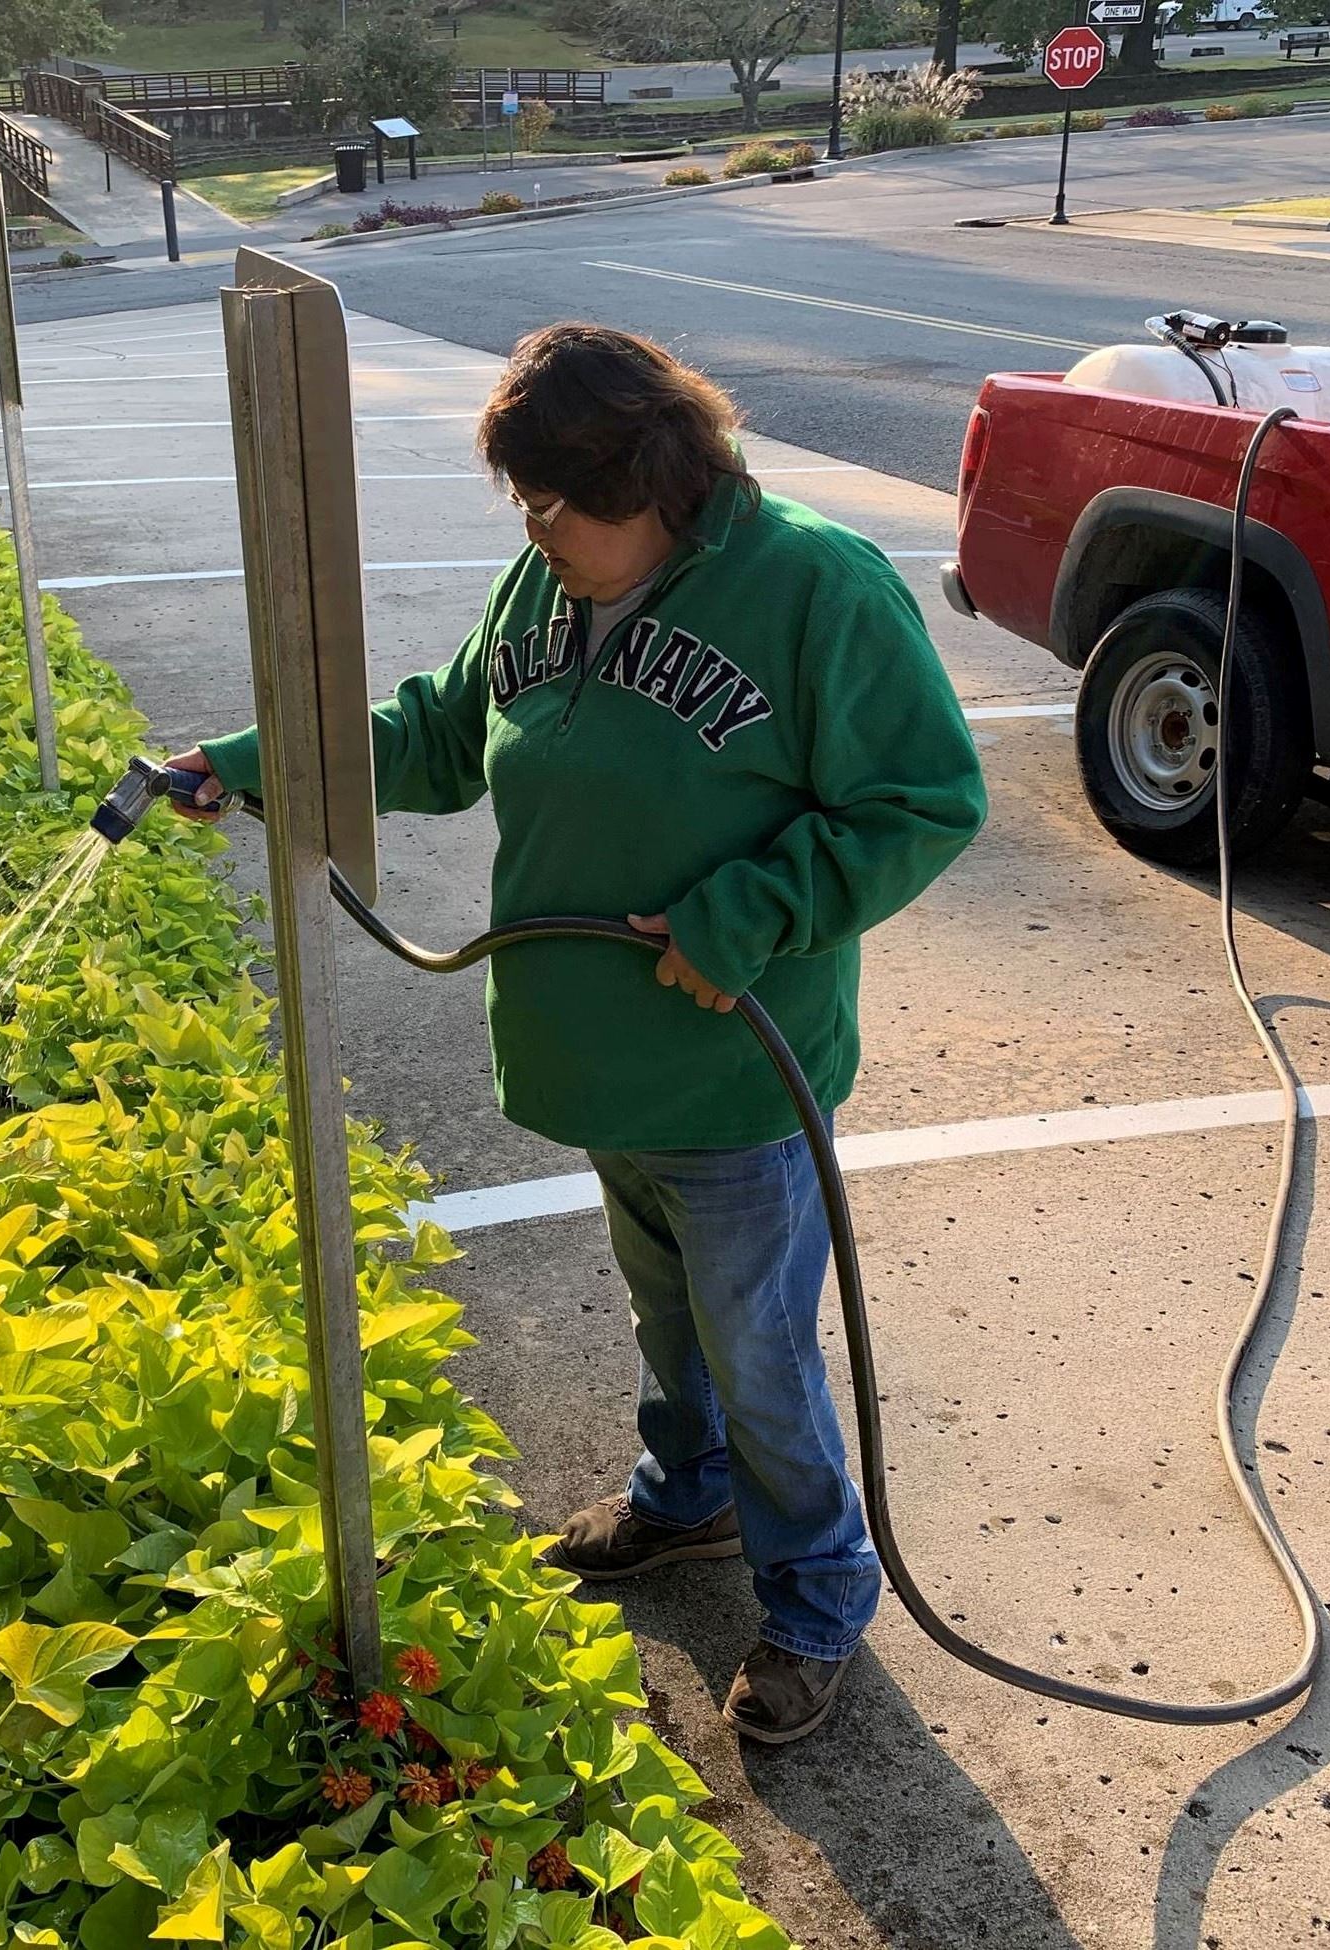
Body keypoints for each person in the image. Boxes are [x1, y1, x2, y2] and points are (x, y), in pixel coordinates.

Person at [171, 324, 986, 1745]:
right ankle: (685, 1498)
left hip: (733, 1071)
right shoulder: (544, 586)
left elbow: (921, 800)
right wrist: (247, 767)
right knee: (670, 1315)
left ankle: (813, 1595)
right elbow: (437, 733)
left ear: (660, 477)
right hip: (599, 1058)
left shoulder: (813, 586)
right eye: (522, 503)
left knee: (763, 1355)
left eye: (558, 501)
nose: (535, 528)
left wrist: (749, 910)